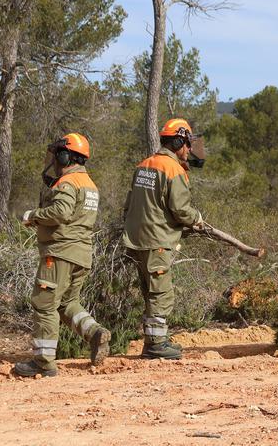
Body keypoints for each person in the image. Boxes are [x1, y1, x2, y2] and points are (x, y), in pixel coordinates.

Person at [14, 133, 111, 377]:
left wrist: (33, 216)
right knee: (68, 303)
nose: (55, 161)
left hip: (59, 253)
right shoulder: (89, 185)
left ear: (67, 156)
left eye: (58, 155)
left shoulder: (68, 183)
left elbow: (61, 211)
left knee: (44, 304)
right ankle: (94, 333)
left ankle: (44, 362)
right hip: (81, 255)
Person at [123, 118, 204, 360]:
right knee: (161, 293)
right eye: (187, 144)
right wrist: (197, 218)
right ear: (178, 142)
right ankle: (157, 344)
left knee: (149, 291)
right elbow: (180, 209)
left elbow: (130, 204)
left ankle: (152, 342)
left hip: (136, 240)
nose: (189, 150)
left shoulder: (144, 165)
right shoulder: (172, 169)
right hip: (157, 240)